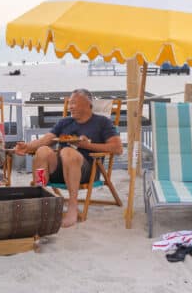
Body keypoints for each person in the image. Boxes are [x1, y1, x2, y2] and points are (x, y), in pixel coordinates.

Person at [15, 88, 123, 227]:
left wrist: (86, 145)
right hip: (60, 171)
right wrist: (27, 147)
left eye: (74, 103)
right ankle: (40, 194)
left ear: (88, 104)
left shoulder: (102, 122)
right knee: (42, 150)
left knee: (67, 151)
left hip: (87, 171)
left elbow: (117, 148)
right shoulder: (65, 122)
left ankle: (72, 206)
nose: (70, 106)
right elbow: (46, 139)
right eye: (70, 103)